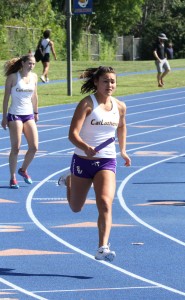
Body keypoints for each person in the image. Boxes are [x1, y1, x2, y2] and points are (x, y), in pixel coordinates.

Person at [58, 66, 131, 262]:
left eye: (113, 81)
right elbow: (72, 134)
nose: (110, 85)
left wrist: (123, 150)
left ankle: (102, 247)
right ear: (96, 82)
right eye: (106, 81)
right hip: (83, 160)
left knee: (105, 203)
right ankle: (69, 180)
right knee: (76, 207)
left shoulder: (120, 106)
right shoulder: (86, 104)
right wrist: (85, 146)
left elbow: (122, 127)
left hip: (107, 161)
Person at [1, 54, 39, 189]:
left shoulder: (34, 77)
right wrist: (4, 116)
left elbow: (34, 96)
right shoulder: (13, 77)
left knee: (34, 147)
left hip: (28, 114)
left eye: (33, 64)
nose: (31, 66)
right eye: (29, 63)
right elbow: (6, 98)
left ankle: (23, 170)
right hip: (15, 115)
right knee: (16, 148)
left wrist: (36, 112)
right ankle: (12, 177)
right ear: (22, 63)